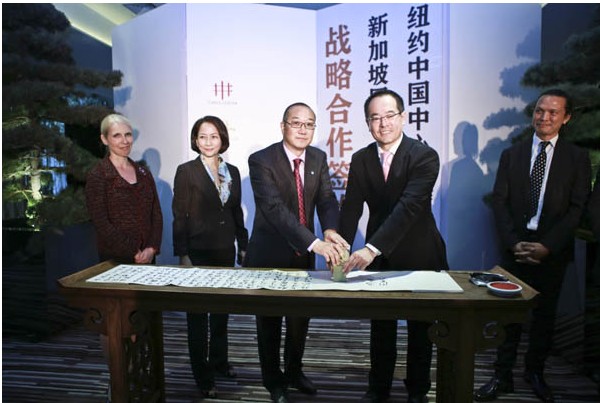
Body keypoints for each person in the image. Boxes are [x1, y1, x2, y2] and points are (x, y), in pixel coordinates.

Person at [474, 89, 591, 403]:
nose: (544, 117)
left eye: (553, 112)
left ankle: (535, 372)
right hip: (515, 248)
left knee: (544, 318)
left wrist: (548, 246)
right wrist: (514, 244)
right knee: (507, 317)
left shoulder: (577, 158)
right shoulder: (512, 154)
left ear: (566, 118)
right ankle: (502, 375)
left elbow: (577, 208)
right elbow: (499, 202)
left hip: (551, 252)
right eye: (540, 110)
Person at [338, 89, 448, 403]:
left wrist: (371, 248)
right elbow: (351, 207)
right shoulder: (361, 159)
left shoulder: (424, 156)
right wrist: (340, 247)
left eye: (389, 116)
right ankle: (378, 388)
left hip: (419, 252)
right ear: (367, 123)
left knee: (420, 328)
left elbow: (409, 207)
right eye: (375, 118)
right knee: (381, 325)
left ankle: (417, 391)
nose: (383, 123)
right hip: (379, 259)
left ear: (403, 117)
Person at [244, 102, 349, 403]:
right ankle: (273, 380)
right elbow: (275, 209)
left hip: (303, 254)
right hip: (269, 254)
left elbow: (326, 199)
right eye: (296, 123)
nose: (303, 130)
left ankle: (294, 371)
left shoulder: (318, 157)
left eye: (309, 124)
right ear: (283, 126)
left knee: (300, 318)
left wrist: (330, 229)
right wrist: (315, 243)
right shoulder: (261, 160)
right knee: (269, 322)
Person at [85, 113, 163, 402]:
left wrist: (152, 248)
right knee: (115, 325)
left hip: (146, 262)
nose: (124, 140)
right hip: (115, 263)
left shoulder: (142, 172)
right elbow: (101, 223)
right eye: (117, 135)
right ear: (104, 139)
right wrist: (133, 251)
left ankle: (138, 377)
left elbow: (156, 214)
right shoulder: (98, 175)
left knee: (142, 323)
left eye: (128, 134)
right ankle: (117, 380)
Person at [172, 115, 248, 399]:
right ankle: (202, 376)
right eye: (202, 136)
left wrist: (243, 244)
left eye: (213, 136)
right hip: (197, 252)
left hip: (225, 250)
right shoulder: (186, 171)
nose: (208, 142)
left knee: (220, 313)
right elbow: (179, 216)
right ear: (195, 140)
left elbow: (236, 210)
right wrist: (183, 254)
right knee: (197, 318)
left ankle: (219, 362)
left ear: (222, 139)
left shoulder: (232, 171)